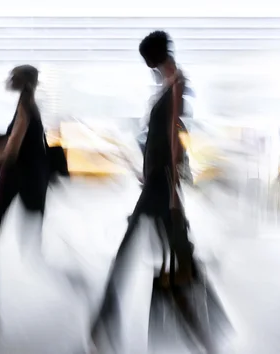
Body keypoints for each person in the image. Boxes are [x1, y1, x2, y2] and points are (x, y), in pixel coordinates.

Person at [91, 31, 228, 353]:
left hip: (161, 187)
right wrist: (147, 170)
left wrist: (173, 192)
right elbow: (162, 140)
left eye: (147, 61)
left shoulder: (176, 84)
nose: (147, 67)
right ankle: (205, 340)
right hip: (156, 182)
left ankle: (102, 328)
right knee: (178, 263)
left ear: (153, 58)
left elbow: (174, 138)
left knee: (143, 259)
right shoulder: (168, 85)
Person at [0, 65, 50, 318]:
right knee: (26, 247)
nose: (8, 80)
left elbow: (14, 147)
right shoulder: (29, 104)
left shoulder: (25, 106)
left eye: (13, 76)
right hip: (28, 180)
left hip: (16, 178)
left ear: (24, 81)